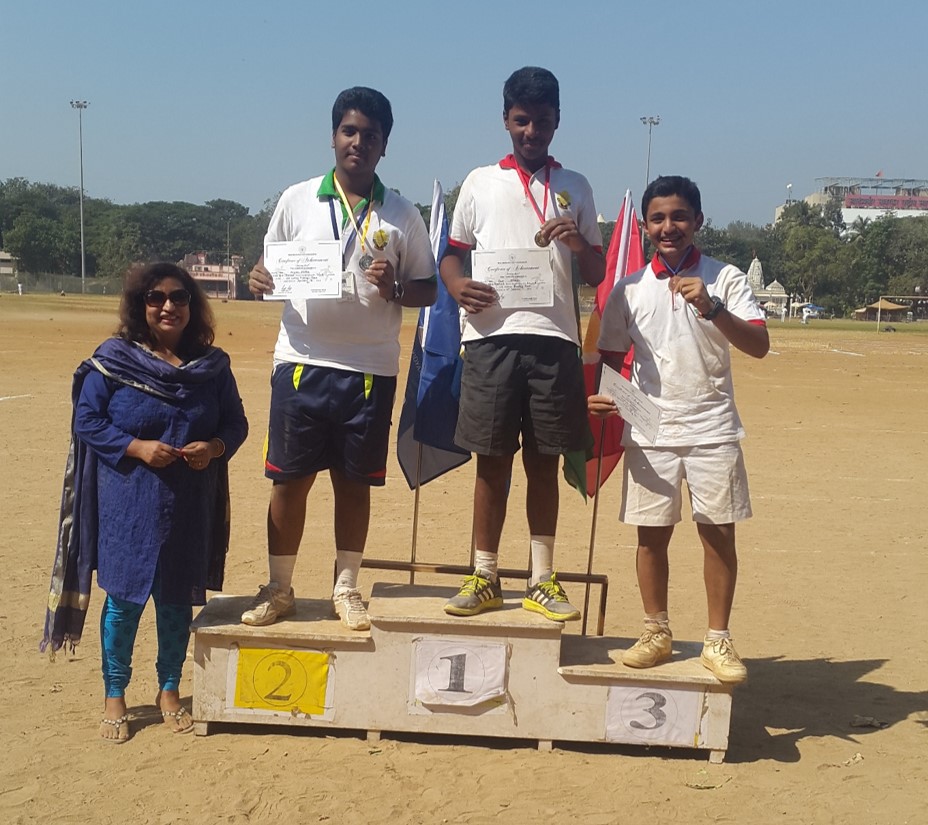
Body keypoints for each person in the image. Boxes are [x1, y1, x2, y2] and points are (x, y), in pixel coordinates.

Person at [243, 87, 437, 631]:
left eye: (370, 135)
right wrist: (258, 279)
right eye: (349, 131)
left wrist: (397, 286)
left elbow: (427, 289)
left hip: (371, 367)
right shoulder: (298, 199)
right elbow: (268, 270)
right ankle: (280, 587)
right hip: (302, 359)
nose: (358, 142)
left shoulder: (401, 212)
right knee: (289, 482)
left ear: (384, 146)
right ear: (334, 137)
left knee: (355, 485)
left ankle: (346, 587)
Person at [41, 262, 248, 742]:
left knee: (176, 601)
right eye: (156, 298)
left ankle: (169, 690)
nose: (168, 306)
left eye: (179, 297)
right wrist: (136, 447)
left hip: (188, 503)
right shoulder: (114, 360)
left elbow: (235, 424)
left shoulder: (211, 368)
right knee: (125, 602)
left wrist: (213, 448)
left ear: (192, 306)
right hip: (128, 502)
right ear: (141, 306)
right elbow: (87, 420)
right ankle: (115, 694)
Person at [439, 66, 605, 622]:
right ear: (506, 120)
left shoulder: (575, 186)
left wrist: (578, 240)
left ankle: (542, 578)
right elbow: (452, 254)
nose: (532, 130)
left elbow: (597, 269)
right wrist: (458, 285)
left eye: (543, 120)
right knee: (490, 462)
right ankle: (484, 574)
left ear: (559, 121)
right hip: (490, 339)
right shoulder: (479, 183)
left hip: (554, 339)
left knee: (544, 460)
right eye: (522, 120)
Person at [589, 175, 769, 684]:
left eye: (680, 217)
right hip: (650, 431)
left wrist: (711, 306)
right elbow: (611, 359)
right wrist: (610, 398)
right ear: (645, 226)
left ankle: (718, 639)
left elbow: (758, 345)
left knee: (718, 535)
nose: (670, 227)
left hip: (712, 426)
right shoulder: (629, 289)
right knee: (651, 539)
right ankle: (655, 631)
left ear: (698, 221)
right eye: (659, 218)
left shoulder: (726, 277)